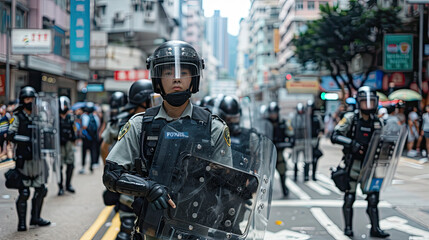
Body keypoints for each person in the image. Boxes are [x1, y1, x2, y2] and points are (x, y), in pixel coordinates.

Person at [103, 40, 232, 239]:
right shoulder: (140, 125)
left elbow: (226, 183)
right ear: (158, 78)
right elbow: (112, 174)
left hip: (199, 229)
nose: (177, 79)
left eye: (184, 73)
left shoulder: (214, 128)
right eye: (168, 73)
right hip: (153, 228)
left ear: (194, 78)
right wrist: (149, 188)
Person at [331, 86, 389, 238]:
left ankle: (375, 228)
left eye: (371, 102)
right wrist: (352, 144)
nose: (368, 105)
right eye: (365, 102)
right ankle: (348, 228)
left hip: (371, 165)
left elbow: (385, 141)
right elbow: (335, 135)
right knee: (350, 196)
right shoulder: (351, 118)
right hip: (354, 163)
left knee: (373, 197)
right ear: (359, 102)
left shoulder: (378, 122)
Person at [101, 80, 154, 240]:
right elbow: (104, 147)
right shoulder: (133, 122)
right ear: (144, 100)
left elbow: (104, 146)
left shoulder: (121, 120)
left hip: (144, 188)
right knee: (130, 231)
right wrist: (114, 172)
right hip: (132, 188)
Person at [7, 86, 51, 231]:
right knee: (24, 192)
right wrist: (27, 140)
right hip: (24, 159)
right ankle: (21, 223)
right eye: (27, 99)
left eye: (32, 99)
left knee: (41, 190)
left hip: (38, 158)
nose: (30, 101)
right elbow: (10, 134)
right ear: (22, 100)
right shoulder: (17, 115)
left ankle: (35, 218)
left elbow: (47, 129)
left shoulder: (40, 114)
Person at [266, 101, 290, 197]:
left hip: (278, 151)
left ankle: (284, 189)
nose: (273, 115)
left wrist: (286, 143)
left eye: (274, 113)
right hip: (267, 152)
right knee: (265, 172)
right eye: (271, 113)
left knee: (282, 170)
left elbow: (290, 134)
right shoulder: (266, 123)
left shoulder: (283, 123)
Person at [58, 96, 77, 196]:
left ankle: (68, 184)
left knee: (71, 164)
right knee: (59, 166)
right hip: (59, 144)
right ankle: (60, 186)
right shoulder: (55, 118)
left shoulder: (70, 117)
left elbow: (73, 129)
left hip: (69, 143)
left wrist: (74, 139)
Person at [305, 100, 324, 181]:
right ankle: (306, 176)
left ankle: (313, 175)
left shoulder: (317, 117)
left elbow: (322, 129)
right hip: (306, 141)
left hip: (314, 140)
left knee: (315, 159)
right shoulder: (304, 118)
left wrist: (318, 137)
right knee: (306, 159)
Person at [80, 102, 100, 174]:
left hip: (86, 138)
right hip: (93, 138)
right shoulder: (96, 117)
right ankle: (91, 166)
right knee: (92, 152)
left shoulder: (84, 116)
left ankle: (83, 167)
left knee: (84, 152)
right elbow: (98, 127)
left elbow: (84, 126)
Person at [291, 103, 309, 181]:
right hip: (296, 141)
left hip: (305, 142)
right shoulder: (294, 118)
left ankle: (306, 176)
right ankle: (295, 176)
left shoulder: (306, 118)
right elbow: (292, 127)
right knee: (295, 160)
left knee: (306, 160)